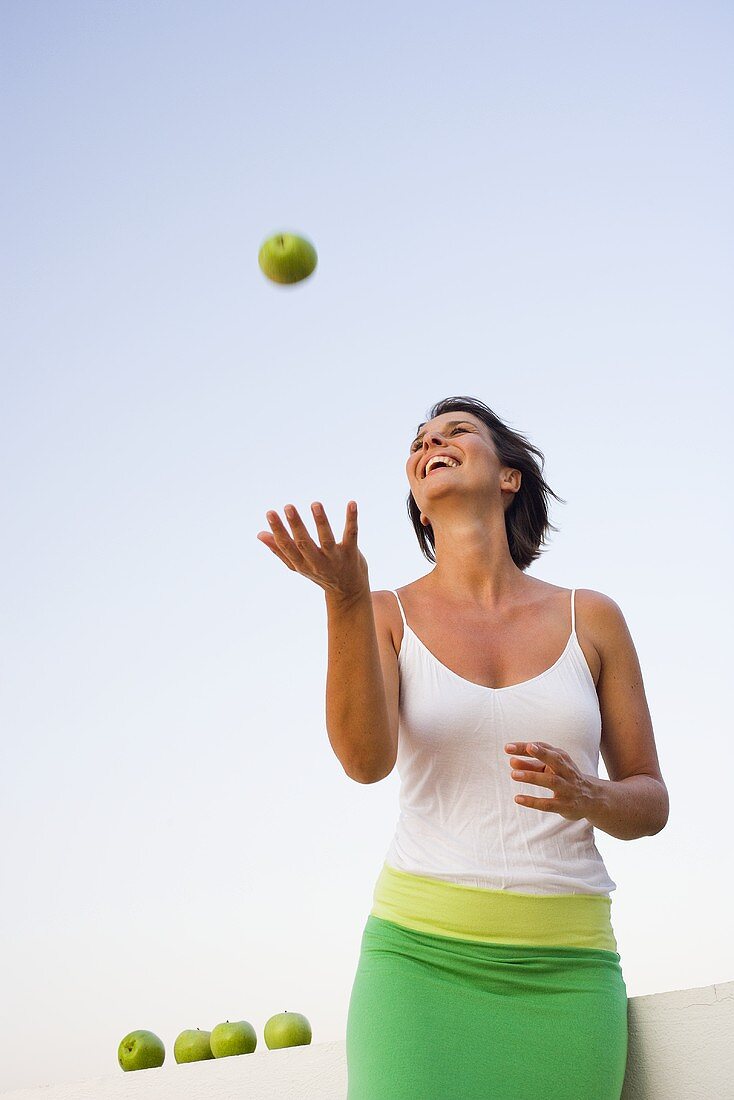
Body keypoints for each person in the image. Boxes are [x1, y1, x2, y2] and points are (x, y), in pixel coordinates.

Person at [256, 395, 669, 1100]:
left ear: (509, 477)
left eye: (455, 432)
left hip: (567, 971)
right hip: (417, 963)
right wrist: (346, 601)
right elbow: (365, 762)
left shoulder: (592, 617)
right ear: (420, 506)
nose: (429, 445)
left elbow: (650, 801)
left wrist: (589, 795)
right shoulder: (384, 613)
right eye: (418, 444)